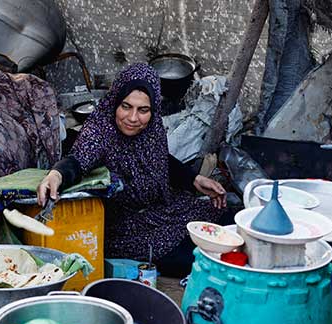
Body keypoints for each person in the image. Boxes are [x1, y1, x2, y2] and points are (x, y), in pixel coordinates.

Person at [37, 63, 226, 278]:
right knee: (200, 258)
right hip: (128, 230)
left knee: (227, 223)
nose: (133, 118)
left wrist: (194, 179)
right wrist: (56, 174)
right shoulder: (101, 131)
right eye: (126, 106)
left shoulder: (151, 128)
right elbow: (79, 158)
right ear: (115, 101)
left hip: (164, 209)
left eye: (143, 110)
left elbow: (160, 159)